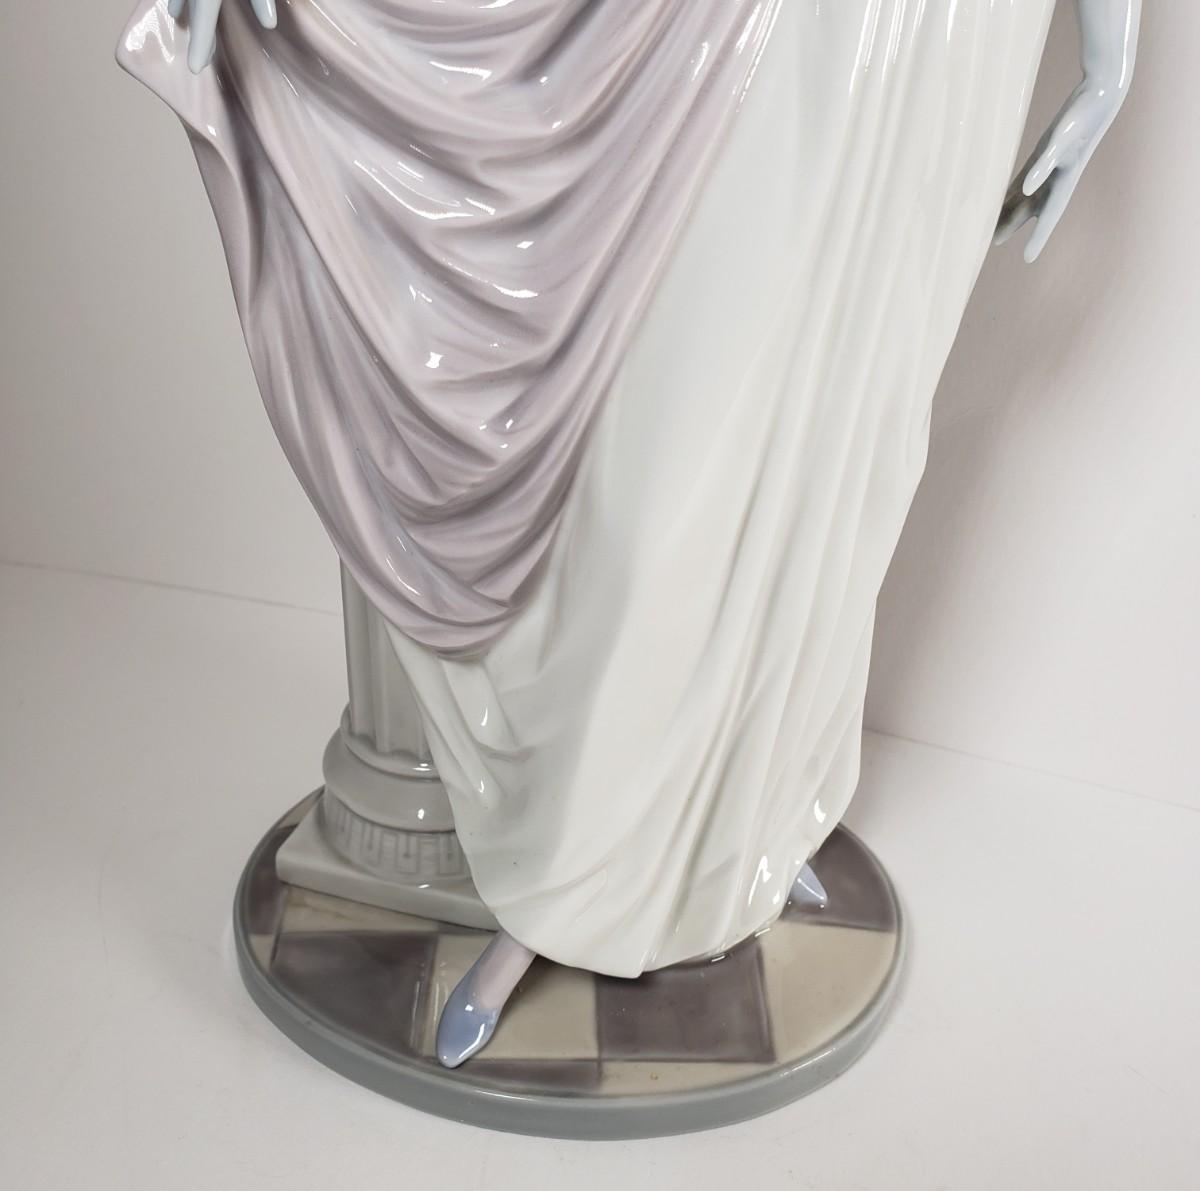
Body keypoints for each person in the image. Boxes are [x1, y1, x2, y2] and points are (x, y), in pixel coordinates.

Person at [119, 0, 1140, 1067]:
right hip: (775, 37)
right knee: (669, 478)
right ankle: (567, 884)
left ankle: (746, 825)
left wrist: (1109, 59)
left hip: (964, 47)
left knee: (843, 458)